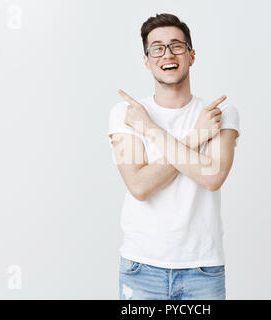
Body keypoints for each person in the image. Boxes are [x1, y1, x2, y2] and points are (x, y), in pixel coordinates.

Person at [108, 13, 240, 300]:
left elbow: (213, 176)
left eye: (176, 46)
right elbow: (139, 187)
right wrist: (194, 138)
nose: (167, 54)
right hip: (141, 268)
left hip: (203, 269)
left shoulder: (219, 114)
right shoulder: (128, 114)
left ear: (191, 55)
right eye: (156, 48)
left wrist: (151, 131)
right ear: (146, 60)